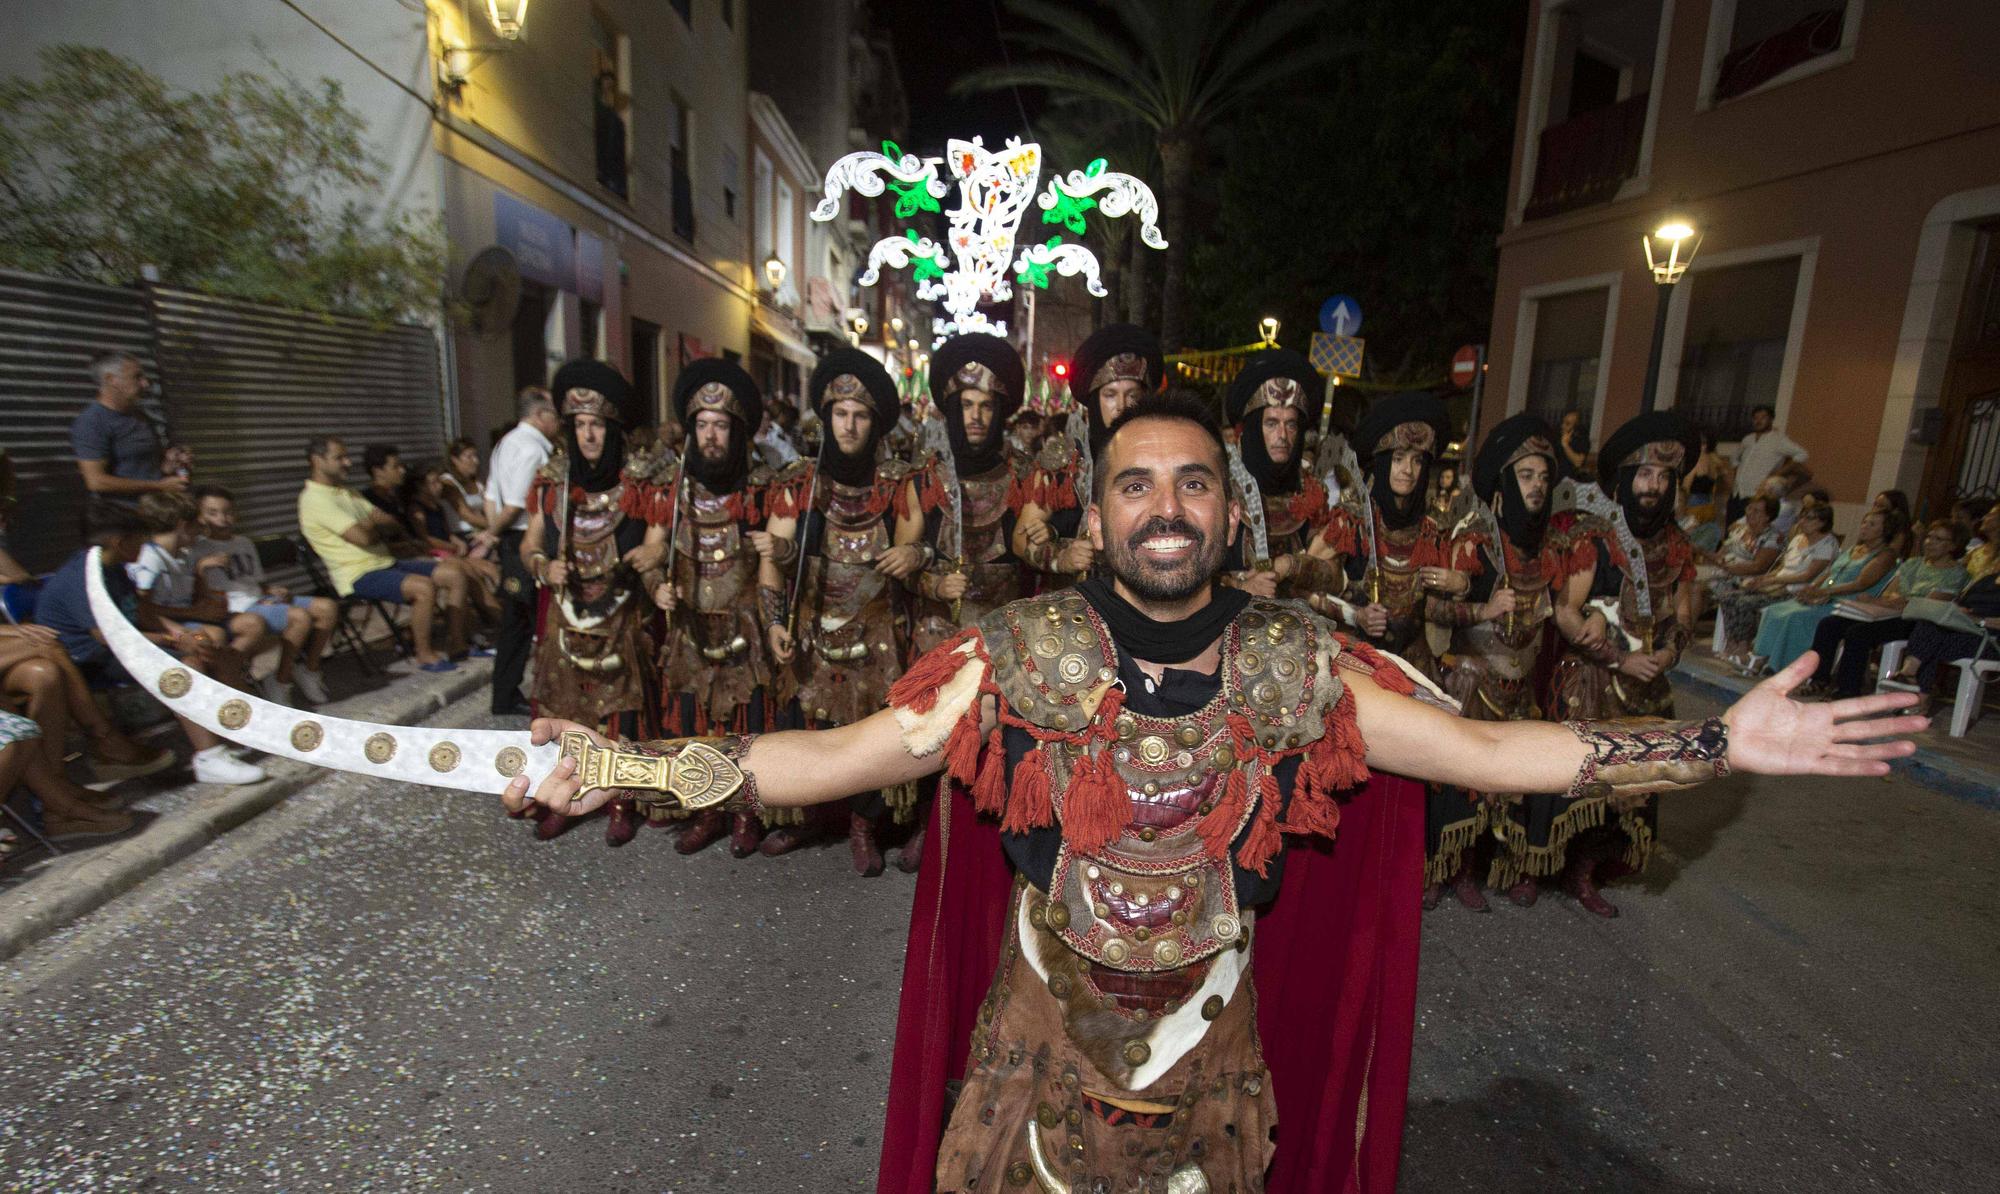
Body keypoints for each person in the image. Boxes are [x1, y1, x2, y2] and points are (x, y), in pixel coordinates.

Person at [502, 394, 1923, 1193]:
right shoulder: (1017, 654)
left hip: (1210, 1066)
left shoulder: (1306, 668)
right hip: (1034, 1054)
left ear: (1230, 510)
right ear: (1100, 507)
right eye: (1137, 484)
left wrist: (1718, 748)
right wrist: (613, 762)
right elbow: (830, 758)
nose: (1166, 506)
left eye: (1193, 483)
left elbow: (1499, 756)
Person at [758, 348, 927, 872]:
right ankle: (809, 816)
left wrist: (911, 553)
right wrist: (771, 622)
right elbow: (774, 557)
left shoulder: (899, 482)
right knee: (805, 724)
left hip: (875, 628)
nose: (849, 425)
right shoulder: (798, 481)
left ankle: (864, 822)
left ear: (873, 422)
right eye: (840, 414)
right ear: (825, 418)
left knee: (875, 732)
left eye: (859, 416)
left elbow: (912, 538)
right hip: (812, 626)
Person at [1549, 411, 1701, 917]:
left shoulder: (1677, 545)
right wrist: (1618, 657)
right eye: (1644, 474)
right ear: (1624, 478)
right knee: (1586, 784)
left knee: (1638, 783)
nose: (1653, 485)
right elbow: (1566, 613)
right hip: (1595, 679)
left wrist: (1667, 653)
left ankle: (1599, 865)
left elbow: (1683, 614)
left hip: (1649, 683)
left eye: (1663, 476)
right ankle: (1565, 868)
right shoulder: (1597, 535)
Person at [519, 360, 668, 845]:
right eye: (579, 425)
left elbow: (658, 540)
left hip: (622, 611)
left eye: (596, 425)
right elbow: (530, 544)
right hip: (568, 612)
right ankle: (561, 791)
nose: (587, 436)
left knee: (622, 710)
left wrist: (650, 556)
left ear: (613, 428)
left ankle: (624, 796)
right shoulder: (553, 481)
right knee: (568, 708)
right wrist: (543, 566)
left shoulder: (642, 483)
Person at [1429, 414, 1567, 910]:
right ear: (1507, 483)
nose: (1537, 486)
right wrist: (1485, 608)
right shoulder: (1476, 539)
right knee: (1463, 779)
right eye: (1527, 476)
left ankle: (1495, 865)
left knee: (1513, 783)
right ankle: (1451, 871)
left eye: (1543, 478)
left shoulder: (1549, 549)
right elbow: (1435, 608)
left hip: (1522, 683)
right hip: (1474, 679)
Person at [34, 501, 266, 786]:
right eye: (140, 542)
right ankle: (209, 757)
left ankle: (237, 730)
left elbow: (143, 612)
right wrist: (174, 642)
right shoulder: (83, 577)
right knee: (181, 665)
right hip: (90, 660)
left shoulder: (113, 565)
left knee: (213, 649)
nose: (144, 549)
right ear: (119, 542)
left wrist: (182, 635)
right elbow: (109, 636)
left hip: (122, 648)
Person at [645, 359, 777, 858]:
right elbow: (651, 554)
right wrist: (656, 584)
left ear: (736, 431)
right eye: (701, 425)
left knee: (745, 730)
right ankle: (704, 810)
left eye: (720, 425)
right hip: (691, 632)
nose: (710, 435)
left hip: (745, 630)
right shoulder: (672, 490)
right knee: (696, 726)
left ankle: (744, 812)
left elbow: (773, 564)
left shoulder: (763, 487)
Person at [297, 435, 470, 672]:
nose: (348, 463)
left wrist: (372, 526)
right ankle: (425, 654)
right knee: (423, 588)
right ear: (317, 461)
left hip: (384, 562)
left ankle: (458, 644)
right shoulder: (315, 500)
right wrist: (373, 526)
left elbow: (393, 523)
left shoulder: (348, 493)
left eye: (346, 456)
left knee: (455, 573)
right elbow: (363, 537)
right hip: (357, 574)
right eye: (340, 457)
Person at [1013, 324, 1167, 584]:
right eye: (1110, 395)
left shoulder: (1163, 459)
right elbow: (1021, 539)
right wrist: (1061, 556)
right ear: (1095, 400)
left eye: (1132, 395)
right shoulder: (1062, 462)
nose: (1121, 406)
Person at [1318, 393, 1456, 673]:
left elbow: (1440, 611)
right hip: (1357, 664)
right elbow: (1304, 587)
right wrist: (1355, 615)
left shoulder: (1434, 529)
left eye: (1417, 460)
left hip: (1415, 669)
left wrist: (1459, 585)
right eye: (1398, 458)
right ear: (1383, 462)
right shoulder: (1352, 520)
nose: (1408, 470)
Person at [191, 485, 338, 705]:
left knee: (326, 607)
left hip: (259, 599)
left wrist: (272, 591)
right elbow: (195, 594)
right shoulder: (196, 548)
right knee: (298, 617)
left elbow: (257, 583)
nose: (222, 519)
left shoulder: (243, 542)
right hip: (237, 609)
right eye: (212, 513)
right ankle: (280, 681)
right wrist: (201, 567)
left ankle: (309, 670)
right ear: (200, 516)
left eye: (228, 512)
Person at [1217, 349, 1344, 602]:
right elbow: (1192, 574)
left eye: (1291, 424)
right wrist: (1241, 586)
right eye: (1272, 423)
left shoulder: (1312, 492)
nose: (1283, 436)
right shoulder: (1222, 489)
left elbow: (1335, 578)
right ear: (1254, 428)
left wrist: (1289, 565)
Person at [1803, 521, 1970, 698]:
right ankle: (1818, 680)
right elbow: (1891, 593)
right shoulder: (1913, 564)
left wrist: (1896, 602)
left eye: (1938, 539)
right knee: (1830, 624)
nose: (1929, 542)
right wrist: (1894, 602)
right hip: (1891, 611)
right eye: (1929, 537)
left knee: (1858, 633)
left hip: (1917, 622)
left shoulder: (1956, 574)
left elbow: (1928, 605)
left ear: (1953, 545)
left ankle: (1847, 690)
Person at [128, 491, 259, 693]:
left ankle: (235, 685)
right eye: (199, 525)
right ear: (183, 526)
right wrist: (191, 618)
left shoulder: (181, 555)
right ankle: (225, 692)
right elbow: (143, 610)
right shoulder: (151, 560)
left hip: (188, 618)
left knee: (249, 624)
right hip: (167, 626)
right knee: (210, 639)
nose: (203, 530)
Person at [1749, 508, 1903, 674]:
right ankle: (1761, 658)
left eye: (1872, 524)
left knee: (1795, 617)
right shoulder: (1854, 549)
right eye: (1864, 522)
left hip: (1845, 602)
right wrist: (1813, 588)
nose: (1864, 527)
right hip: (1824, 595)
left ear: (1885, 530)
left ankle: (1784, 667)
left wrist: (1826, 592)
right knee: (1775, 610)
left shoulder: (1884, 556)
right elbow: (1830, 572)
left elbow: (1861, 583)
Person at [485, 389, 561, 714]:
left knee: (517, 620)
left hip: (510, 541)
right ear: (541, 415)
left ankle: (507, 692)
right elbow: (517, 504)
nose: (559, 423)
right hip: (523, 543)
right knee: (525, 621)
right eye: (555, 416)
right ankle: (510, 694)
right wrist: (493, 534)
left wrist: (493, 532)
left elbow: (491, 496)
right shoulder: (532, 450)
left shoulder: (507, 442)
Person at [1888, 502, 2000, 699]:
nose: (1985, 518)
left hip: (1989, 637)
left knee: (1930, 640)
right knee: (1930, 627)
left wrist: (1979, 620)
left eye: (1992, 515)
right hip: (1965, 627)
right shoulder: (1982, 559)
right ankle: (1912, 680)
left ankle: (1913, 687)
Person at [1717, 504, 1838, 664]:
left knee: (1745, 603)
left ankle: (1744, 648)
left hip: (1795, 591)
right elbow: (1783, 567)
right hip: (1777, 584)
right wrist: (1763, 579)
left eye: (1809, 518)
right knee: (1728, 597)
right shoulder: (1798, 539)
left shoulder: (1827, 544)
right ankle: (1732, 644)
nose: (1802, 521)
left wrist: (1774, 581)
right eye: (1802, 517)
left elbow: (1807, 576)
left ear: (1822, 523)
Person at [71, 351, 188, 504]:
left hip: (154, 512)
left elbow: (144, 467)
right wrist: (158, 487)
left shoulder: (140, 416)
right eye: (137, 377)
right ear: (111, 379)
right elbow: (96, 481)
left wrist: (170, 464)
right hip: (123, 516)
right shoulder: (92, 422)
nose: (145, 383)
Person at [1694, 493, 1784, 623]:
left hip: (1744, 578)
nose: (1750, 513)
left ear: (1767, 517)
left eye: (1756, 511)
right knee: (1685, 576)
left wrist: (1728, 568)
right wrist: (1700, 550)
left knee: (1696, 585)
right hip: (1722, 570)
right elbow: (1719, 556)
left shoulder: (1773, 538)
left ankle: (1687, 631)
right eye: (1749, 508)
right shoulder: (1740, 530)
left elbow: (1758, 567)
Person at [1726, 404, 1807, 526]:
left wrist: (1778, 473)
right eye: (1756, 418)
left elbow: (1802, 454)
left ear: (1770, 419)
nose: (1758, 421)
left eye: (1763, 417)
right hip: (1737, 494)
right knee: (1731, 530)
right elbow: (1734, 459)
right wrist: (1736, 477)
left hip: (1756, 495)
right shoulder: (1748, 439)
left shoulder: (1778, 439)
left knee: (1749, 532)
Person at [1680, 427, 1731, 551]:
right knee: (1705, 534)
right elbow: (1728, 479)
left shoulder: (1698, 459)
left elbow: (1686, 487)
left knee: (1689, 537)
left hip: (1694, 503)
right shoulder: (1715, 460)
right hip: (1709, 503)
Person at [1557, 408, 1592, 479]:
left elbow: (1578, 463)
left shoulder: (1582, 440)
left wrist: (1565, 445)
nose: (1563, 426)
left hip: (1568, 481)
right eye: (1563, 422)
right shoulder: (1557, 436)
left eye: (1567, 424)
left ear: (1576, 427)